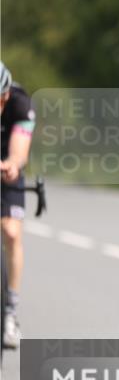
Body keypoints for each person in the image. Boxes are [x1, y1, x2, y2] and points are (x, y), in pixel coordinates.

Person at [0, 61, 35, 349]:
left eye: (0, 100)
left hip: (5, 167)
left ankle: (10, 312)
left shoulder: (21, 103)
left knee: (11, 233)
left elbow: (19, 150)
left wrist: (12, 165)